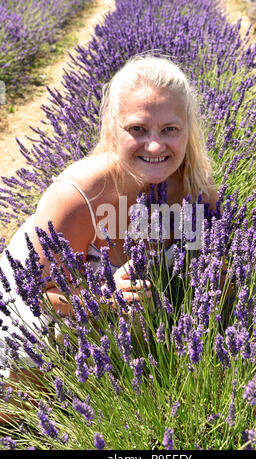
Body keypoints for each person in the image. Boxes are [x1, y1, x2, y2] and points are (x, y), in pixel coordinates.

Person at [0, 54, 220, 406]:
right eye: (137, 129)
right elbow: (35, 295)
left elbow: (210, 270)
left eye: (170, 129)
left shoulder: (196, 192)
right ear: (112, 129)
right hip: (32, 313)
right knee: (20, 406)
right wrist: (105, 298)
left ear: (187, 130)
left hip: (111, 329)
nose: (154, 145)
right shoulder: (79, 195)